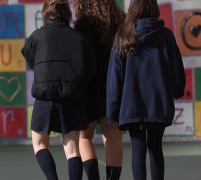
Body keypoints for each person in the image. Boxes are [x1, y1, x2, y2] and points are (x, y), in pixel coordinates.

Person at [106, 0, 186, 179]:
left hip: (131, 106)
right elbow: (176, 69)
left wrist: (112, 110)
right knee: (156, 147)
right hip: (158, 103)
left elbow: (114, 77)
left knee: (138, 149)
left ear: (133, 9)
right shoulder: (166, 36)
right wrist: (177, 90)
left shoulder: (123, 36)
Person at [21, 0, 96, 179]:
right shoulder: (80, 38)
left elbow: (30, 60)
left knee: (39, 144)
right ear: (67, 14)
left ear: (45, 14)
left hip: (44, 97)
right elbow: (91, 70)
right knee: (72, 150)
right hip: (72, 99)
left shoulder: (37, 36)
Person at [73, 0, 125, 179]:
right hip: (116, 86)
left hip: (90, 88)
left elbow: (81, 59)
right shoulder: (121, 20)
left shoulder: (83, 24)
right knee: (113, 137)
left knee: (84, 137)